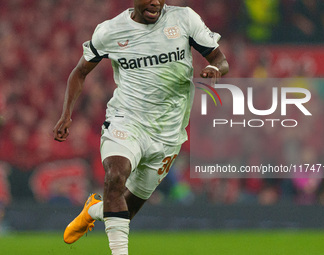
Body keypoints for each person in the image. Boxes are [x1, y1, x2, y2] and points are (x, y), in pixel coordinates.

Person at [53, 0, 228, 254]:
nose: (155, 2)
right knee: (115, 177)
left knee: (125, 209)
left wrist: (214, 68)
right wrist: (65, 115)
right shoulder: (111, 31)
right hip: (127, 120)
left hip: (168, 134)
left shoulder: (184, 19)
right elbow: (79, 72)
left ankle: (92, 210)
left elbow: (220, 59)